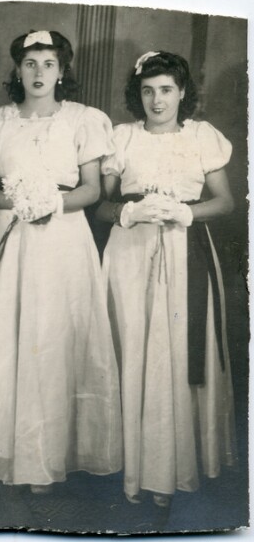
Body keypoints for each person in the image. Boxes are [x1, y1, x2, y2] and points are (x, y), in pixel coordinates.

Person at [0, 30, 122, 494]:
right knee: (7, 337)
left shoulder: (84, 120)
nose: (39, 73)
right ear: (17, 70)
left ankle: (47, 457)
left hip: (63, 241)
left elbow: (91, 190)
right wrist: (19, 202)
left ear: (62, 71)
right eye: (30, 64)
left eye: (49, 64)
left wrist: (51, 203)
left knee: (52, 340)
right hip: (10, 238)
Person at [98, 51, 237, 507]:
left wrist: (184, 212)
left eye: (166, 90)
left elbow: (226, 202)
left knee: (174, 353)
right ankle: (131, 467)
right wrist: (128, 212)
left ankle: (171, 469)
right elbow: (101, 205)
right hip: (130, 254)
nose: (157, 100)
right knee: (133, 348)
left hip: (185, 253)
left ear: (182, 93)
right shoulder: (122, 137)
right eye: (148, 91)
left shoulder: (201, 136)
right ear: (137, 94)